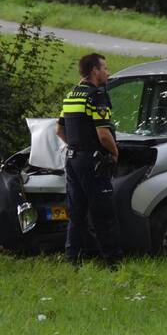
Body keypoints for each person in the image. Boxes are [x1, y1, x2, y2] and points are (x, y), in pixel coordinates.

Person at [56, 53, 122, 266]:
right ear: (94, 70)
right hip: (92, 162)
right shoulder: (96, 96)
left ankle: (72, 260)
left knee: (76, 215)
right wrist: (114, 153)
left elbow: (59, 130)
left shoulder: (71, 95)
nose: (107, 72)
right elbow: (103, 134)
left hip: (72, 160)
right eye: (105, 68)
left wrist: (76, 146)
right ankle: (113, 263)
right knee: (104, 214)